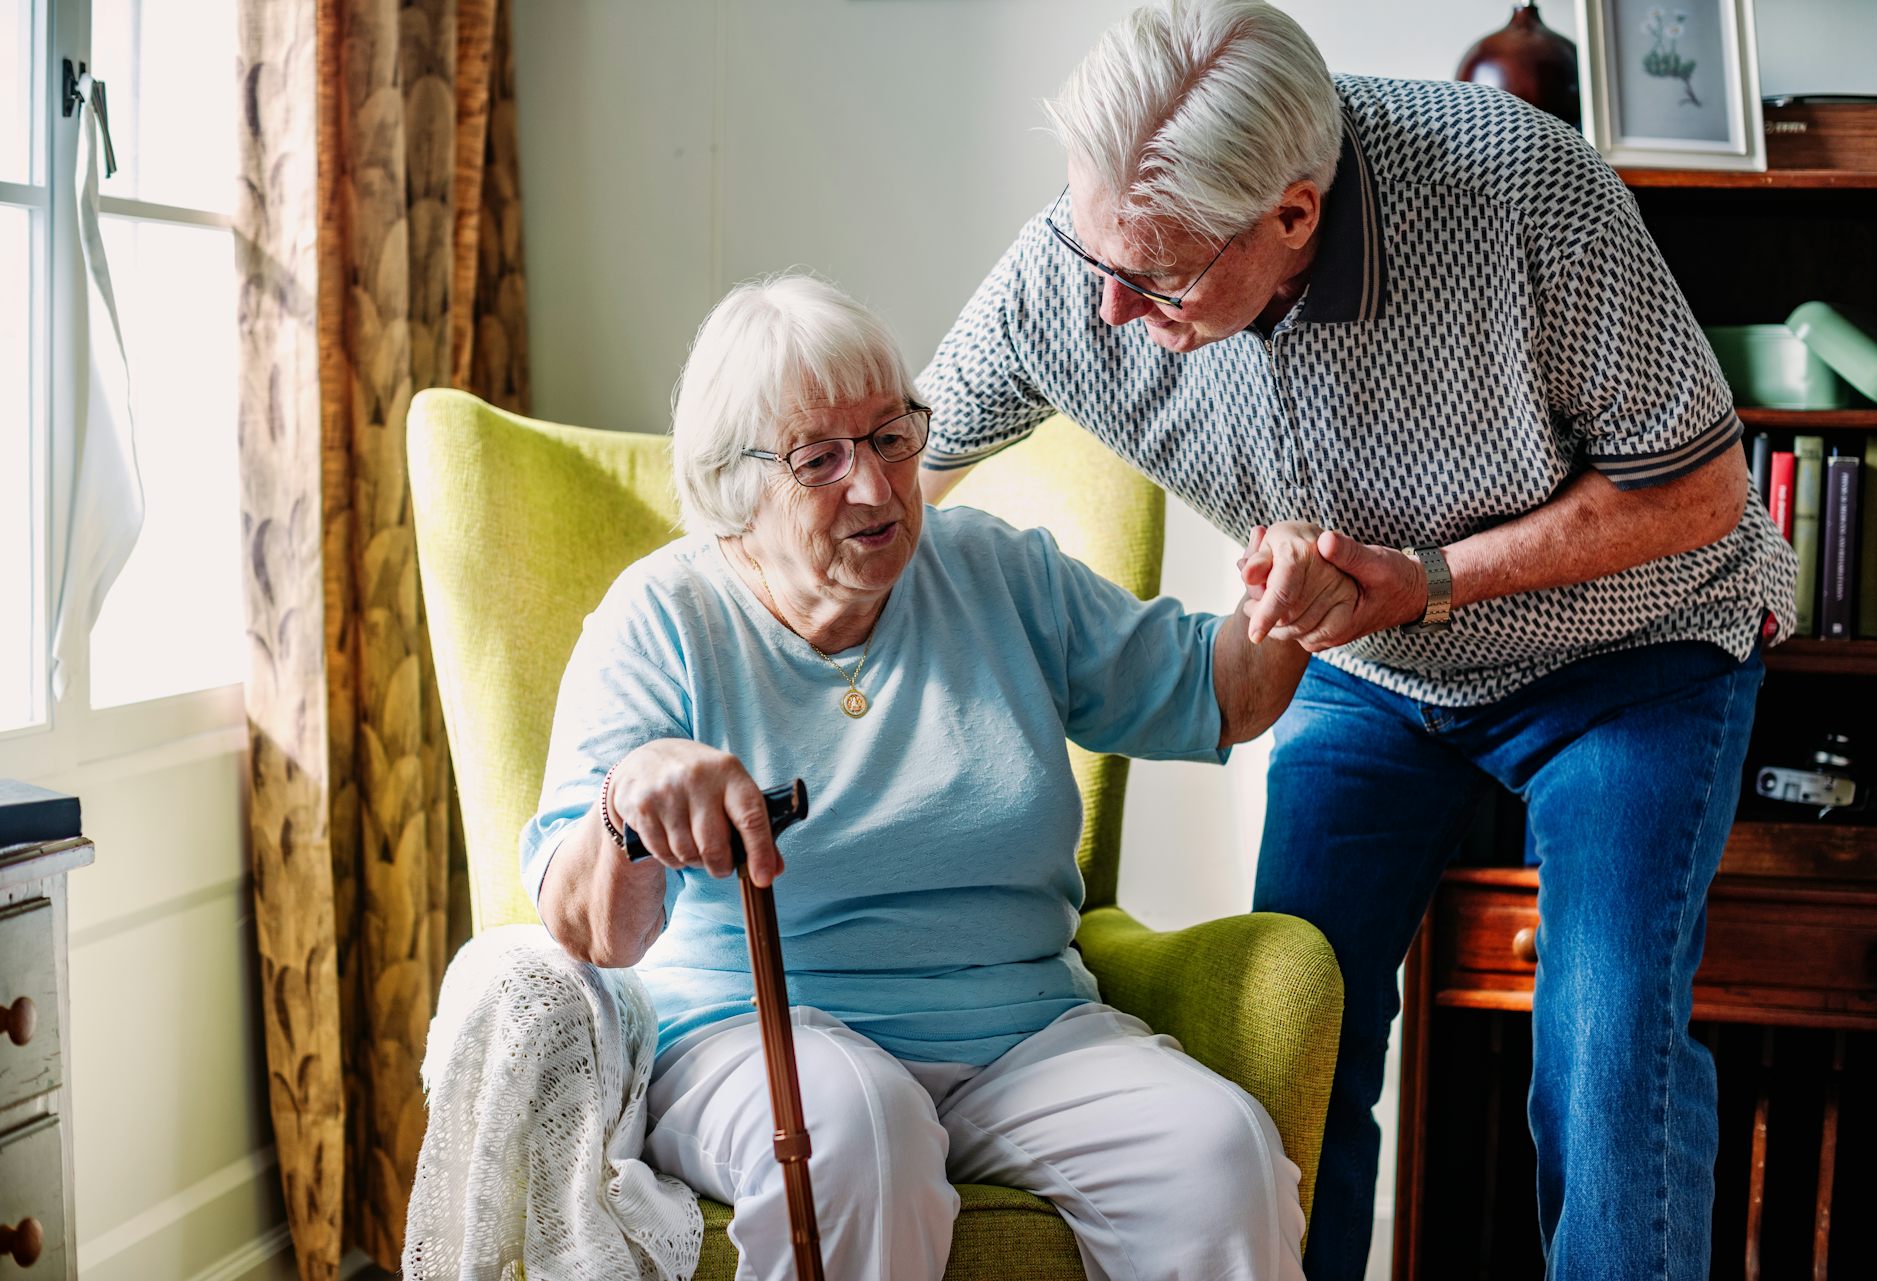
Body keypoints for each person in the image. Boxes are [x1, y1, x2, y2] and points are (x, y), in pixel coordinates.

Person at [914, 3, 1796, 1279]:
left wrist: (1424, 580)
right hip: (1377, 674)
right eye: (1088, 242)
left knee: (1605, 1051)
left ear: (1292, 214)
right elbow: (888, 471)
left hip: (1632, 659)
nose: (1104, 306)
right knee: (1297, 1034)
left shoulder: (1520, 188)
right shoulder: (1090, 262)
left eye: (1154, 274)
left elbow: (1704, 491)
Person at [524, 272, 1314, 1281]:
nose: (876, 487)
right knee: (860, 1131)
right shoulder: (663, 619)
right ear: (735, 487)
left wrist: (1285, 587)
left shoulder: (996, 573)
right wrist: (628, 803)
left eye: (892, 437)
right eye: (820, 459)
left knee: (1216, 1155)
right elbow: (592, 932)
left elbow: (1217, 692)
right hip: (751, 1039)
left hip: (1023, 1035)